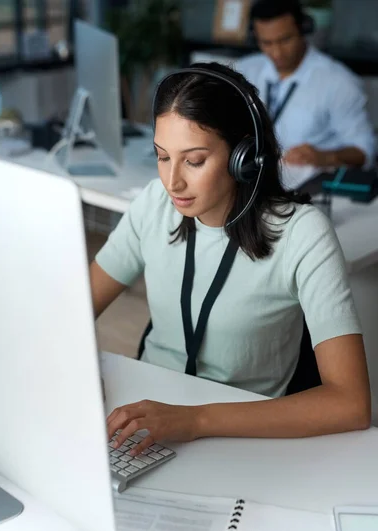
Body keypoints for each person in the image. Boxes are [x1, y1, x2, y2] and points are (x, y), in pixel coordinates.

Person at [90, 62, 370, 455]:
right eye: (162, 156)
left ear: (245, 157)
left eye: (194, 160)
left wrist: (195, 420)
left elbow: (351, 404)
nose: (173, 182)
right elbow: (75, 310)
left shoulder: (303, 234)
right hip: (145, 419)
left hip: (241, 436)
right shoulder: (154, 203)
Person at [235, 0, 376, 169]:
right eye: (267, 43)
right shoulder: (243, 70)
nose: (277, 52)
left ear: (304, 29)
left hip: (309, 185)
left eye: (285, 39)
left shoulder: (339, 81)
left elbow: (364, 150)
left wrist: (325, 156)